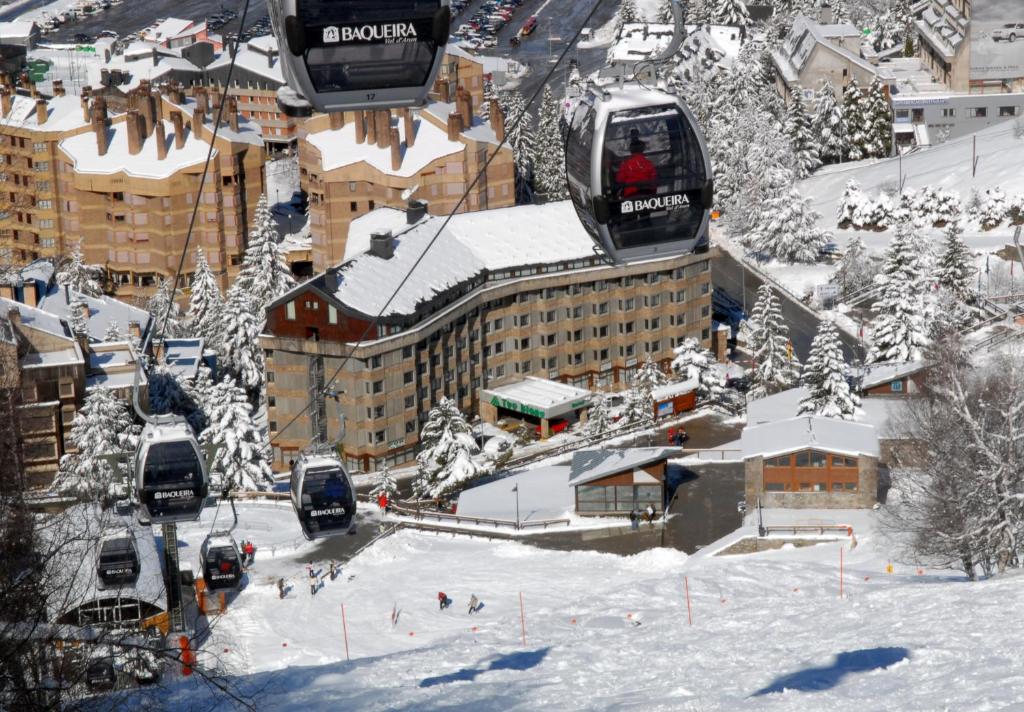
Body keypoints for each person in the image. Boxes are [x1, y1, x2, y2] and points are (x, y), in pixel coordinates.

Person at [615, 128, 657, 199]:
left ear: (631, 150)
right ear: (642, 150)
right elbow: (654, 181)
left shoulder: (625, 164)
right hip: (647, 195)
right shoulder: (648, 163)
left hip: (630, 196)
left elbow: (619, 180)